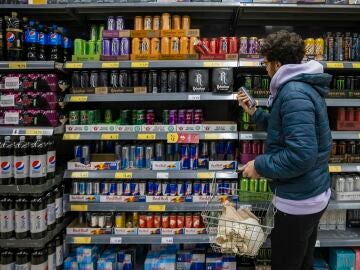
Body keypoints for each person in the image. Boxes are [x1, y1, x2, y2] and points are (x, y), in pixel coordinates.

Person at [237, 30, 332, 270]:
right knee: (303, 261)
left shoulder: (293, 93)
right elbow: (287, 129)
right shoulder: (298, 87)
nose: (265, 68)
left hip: (299, 202)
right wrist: (256, 113)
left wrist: (259, 165)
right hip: (310, 194)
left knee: (286, 263)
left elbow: (301, 155)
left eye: (266, 63)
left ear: (277, 63)